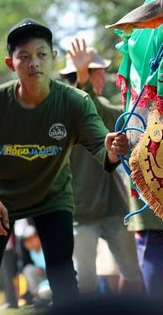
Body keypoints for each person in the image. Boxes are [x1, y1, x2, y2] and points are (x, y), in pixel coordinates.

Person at [0, 18, 130, 315]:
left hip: (52, 197)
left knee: (64, 277)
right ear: (10, 63)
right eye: (23, 56)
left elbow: (100, 146)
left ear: (53, 57)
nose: (33, 63)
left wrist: (113, 148)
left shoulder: (75, 101)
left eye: (41, 54)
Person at [60, 38, 143, 297]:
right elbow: (85, 106)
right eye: (99, 73)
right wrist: (83, 77)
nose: (104, 78)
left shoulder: (105, 109)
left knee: (133, 274)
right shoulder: (61, 112)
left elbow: (129, 116)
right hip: (81, 212)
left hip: (114, 207)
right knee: (84, 283)